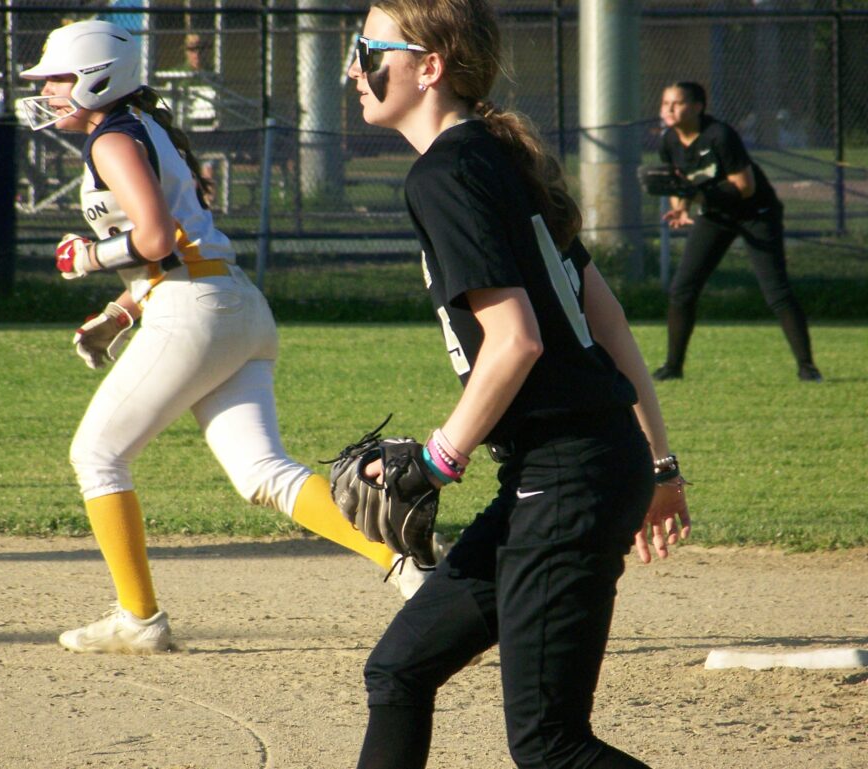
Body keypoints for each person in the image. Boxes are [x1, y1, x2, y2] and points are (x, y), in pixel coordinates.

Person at [345, 2, 691, 767]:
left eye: (369, 47)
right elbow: (609, 326)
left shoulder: (446, 171)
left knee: (550, 745)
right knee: (398, 669)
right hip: (575, 467)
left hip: (568, 473)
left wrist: (435, 459)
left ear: (429, 66)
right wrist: (658, 464)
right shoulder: (498, 156)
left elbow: (517, 342)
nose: (354, 65)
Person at [19, 20, 422, 654]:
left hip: (197, 310)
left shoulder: (111, 140)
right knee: (263, 472)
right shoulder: (139, 130)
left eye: (59, 79)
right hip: (233, 305)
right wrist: (120, 314)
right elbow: (181, 249)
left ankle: (139, 618)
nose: (48, 92)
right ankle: (409, 568)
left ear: (100, 77)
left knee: (97, 456)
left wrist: (85, 259)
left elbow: (156, 242)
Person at [654, 81, 822, 382]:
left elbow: (745, 187)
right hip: (716, 215)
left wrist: (699, 197)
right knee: (682, 289)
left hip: (756, 214)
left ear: (697, 107)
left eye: (676, 103)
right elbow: (678, 183)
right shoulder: (669, 141)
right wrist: (681, 208)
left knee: (776, 292)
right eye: (665, 103)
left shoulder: (719, 135)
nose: (668, 109)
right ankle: (672, 368)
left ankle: (808, 367)